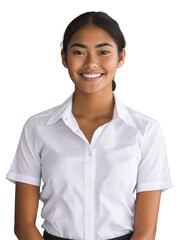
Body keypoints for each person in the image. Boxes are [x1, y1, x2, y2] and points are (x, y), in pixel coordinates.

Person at [6, 11, 173, 240]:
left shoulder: (145, 131)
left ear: (121, 57)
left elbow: (145, 232)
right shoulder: (38, 127)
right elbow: (24, 225)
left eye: (103, 52)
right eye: (79, 52)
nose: (91, 63)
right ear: (64, 58)